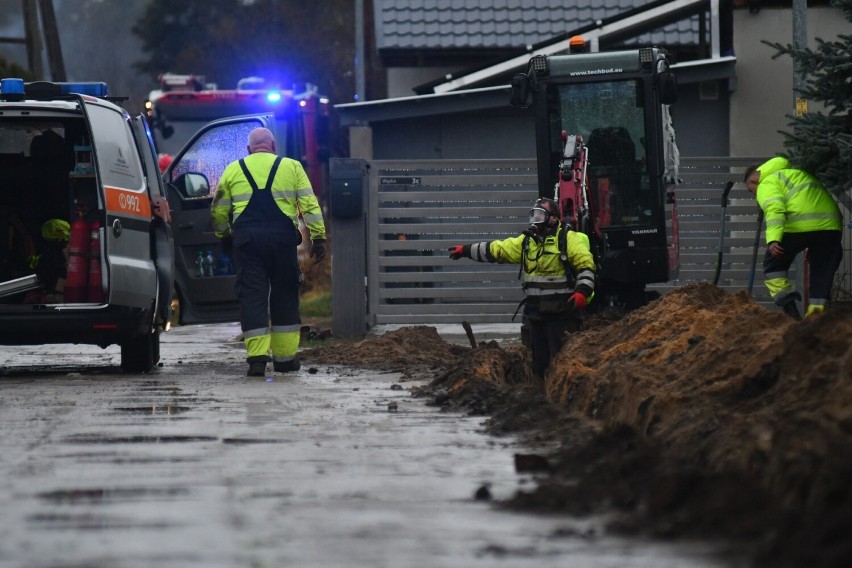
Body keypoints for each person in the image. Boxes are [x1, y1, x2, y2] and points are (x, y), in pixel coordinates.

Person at [211, 127, 327, 376]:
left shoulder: (233, 169)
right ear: (274, 147)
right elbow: (309, 204)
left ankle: (257, 360)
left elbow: (218, 209)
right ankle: (285, 360)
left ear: (248, 149)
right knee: (284, 294)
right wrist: (318, 238)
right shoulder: (292, 167)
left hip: (247, 243)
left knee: (252, 296)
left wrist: (224, 236)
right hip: (282, 241)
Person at [449, 197, 596, 376]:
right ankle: (540, 394)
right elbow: (497, 249)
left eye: (540, 215)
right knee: (540, 363)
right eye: (533, 215)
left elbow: (586, 266)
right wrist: (465, 250)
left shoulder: (568, 240)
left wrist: (583, 292)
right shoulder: (527, 243)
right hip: (536, 315)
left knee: (564, 362)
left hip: (562, 315)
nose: (535, 220)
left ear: (553, 218)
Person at [744, 156, 843, 320]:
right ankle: (816, 317)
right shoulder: (799, 173)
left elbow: (775, 209)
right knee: (822, 271)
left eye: (751, 190)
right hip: (831, 228)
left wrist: (773, 239)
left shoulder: (767, 182)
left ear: (754, 180)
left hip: (798, 226)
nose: (754, 195)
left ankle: (790, 308)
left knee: (773, 264)